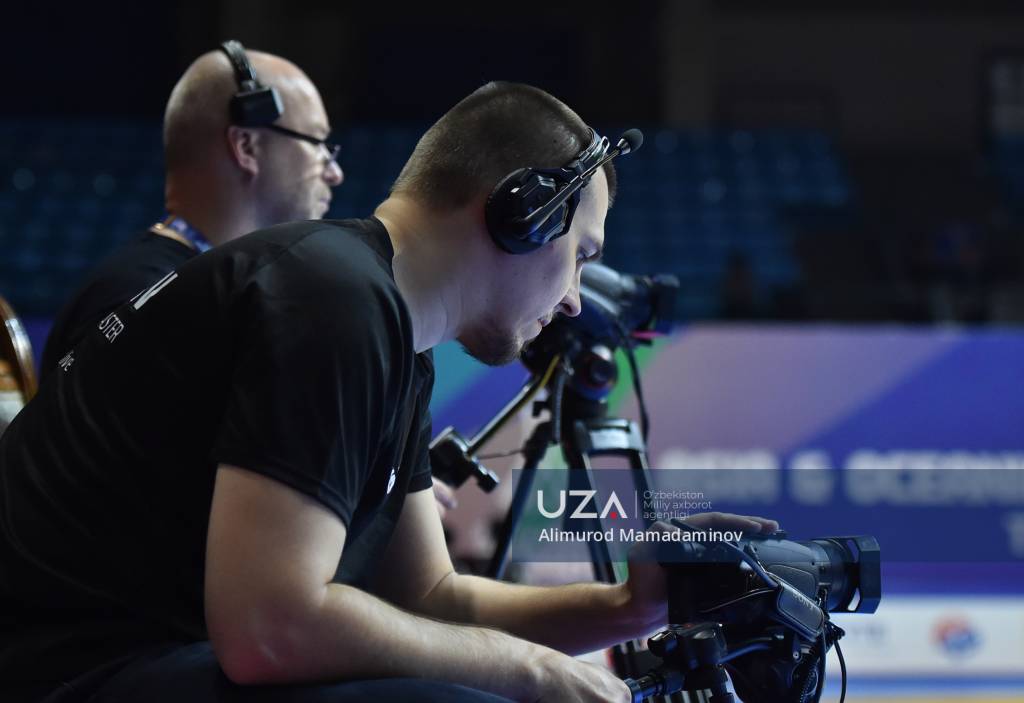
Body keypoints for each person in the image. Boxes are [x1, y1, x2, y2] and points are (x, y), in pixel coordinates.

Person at [0, 81, 776, 703]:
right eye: (580, 254)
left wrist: (627, 608)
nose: (575, 298)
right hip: (66, 675)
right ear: (525, 214)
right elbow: (269, 628)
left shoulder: (386, 330)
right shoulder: (332, 299)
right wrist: (533, 670)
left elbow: (432, 598)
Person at [39, 41, 345, 377]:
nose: (334, 173)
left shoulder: (190, 289)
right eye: (318, 143)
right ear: (247, 146)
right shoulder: (145, 299)